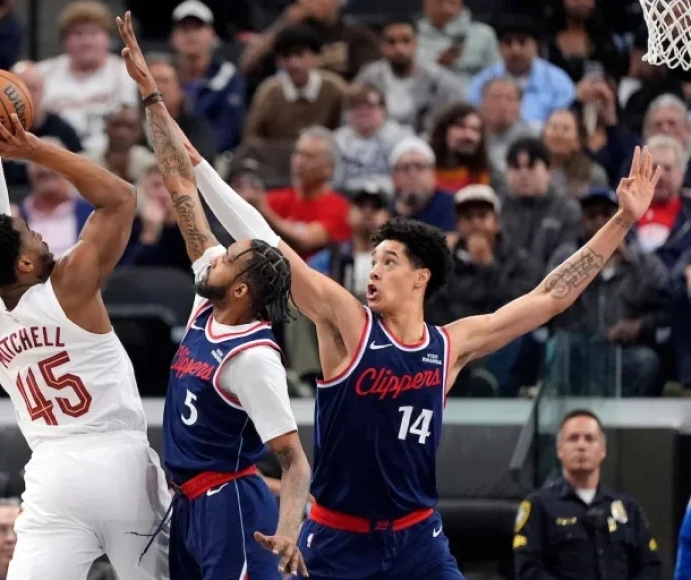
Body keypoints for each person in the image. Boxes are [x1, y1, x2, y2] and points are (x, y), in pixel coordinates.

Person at [187, 107, 660, 576]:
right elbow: (269, 242)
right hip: (337, 540)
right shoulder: (349, 323)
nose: (374, 270)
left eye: (389, 261)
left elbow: (551, 296)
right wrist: (203, 172)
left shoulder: (450, 346)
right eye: (373, 260)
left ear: (421, 278)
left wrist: (621, 220)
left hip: (417, 541)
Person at [116, 13, 311, 578]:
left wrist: (289, 532)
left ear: (243, 288)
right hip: (192, 502)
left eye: (229, 256)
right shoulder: (209, 296)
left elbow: (294, 461)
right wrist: (150, 91)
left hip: (233, 507)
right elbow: (180, 185)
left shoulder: (253, 359)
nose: (215, 254)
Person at [0, 88, 170, 577]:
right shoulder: (67, 287)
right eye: (34, 234)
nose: (43, 235)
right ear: (27, 262)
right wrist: (32, 149)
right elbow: (121, 197)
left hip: (52, 474)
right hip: (119, 466)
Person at [514, 409, 661, 580]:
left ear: (603, 450)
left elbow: (650, 566)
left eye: (590, 439)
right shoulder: (538, 506)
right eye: (573, 438)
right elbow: (528, 569)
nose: (581, 446)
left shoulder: (627, 507)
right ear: (559, 450)